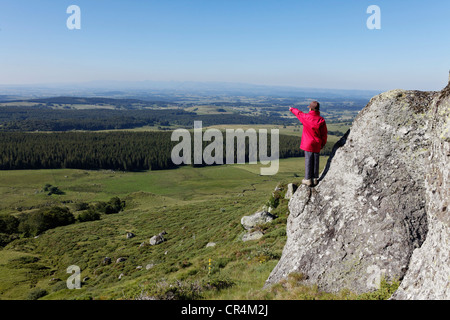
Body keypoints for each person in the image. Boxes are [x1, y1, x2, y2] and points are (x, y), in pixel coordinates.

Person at [289, 101, 328, 187]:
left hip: (308, 143)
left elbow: (298, 113)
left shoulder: (306, 117)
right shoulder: (321, 120)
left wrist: (291, 109)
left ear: (310, 108)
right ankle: (315, 178)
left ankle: (307, 179)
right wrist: (323, 144)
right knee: (315, 160)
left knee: (308, 159)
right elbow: (324, 134)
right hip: (317, 143)